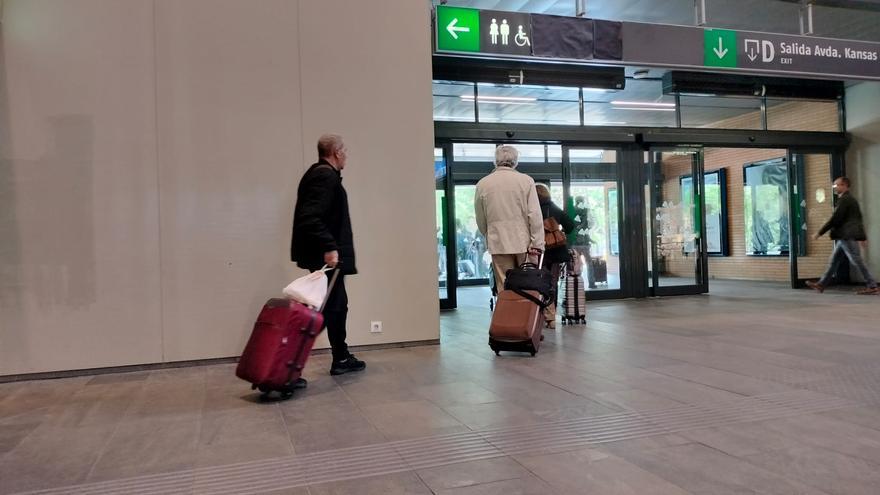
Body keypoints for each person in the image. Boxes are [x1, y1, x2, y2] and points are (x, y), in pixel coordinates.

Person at [291, 134, 367, 375]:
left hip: (324, 255)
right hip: (325, 256)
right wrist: (329, 247)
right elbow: (310, 217)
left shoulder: (320, 174)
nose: (347, 155)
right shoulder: (324, 176)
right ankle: (288, 362)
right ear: (336, 152)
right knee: (330, 309)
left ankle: (339, 356)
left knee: (334, 307)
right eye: (345, 150)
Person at [474, 145, 544, 288]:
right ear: (516, 161)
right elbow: (535, 214)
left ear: (495, 161)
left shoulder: (483, 184)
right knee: (527, 286)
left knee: (503, 286)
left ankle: (506, 303)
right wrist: (537, 243)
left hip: (497, 241)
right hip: (523, 243)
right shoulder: (526, 181)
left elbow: (480, 218)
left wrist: (487, 234)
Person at [806, 176, 878, 295]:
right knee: (834, 261)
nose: (834, 187)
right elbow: (858, 219)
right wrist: (862, 237)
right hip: (844, 236)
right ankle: (821, 284)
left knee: (856, 260)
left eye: (837, 185)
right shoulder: (850, 200)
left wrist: (819, 233)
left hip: (847, 235)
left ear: (844, 186)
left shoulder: (845, 200)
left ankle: (872, 285)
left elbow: (835, 219)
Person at [536, 184, 575, 329]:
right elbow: (570, 226)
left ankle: (538, 315)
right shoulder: (555, 209)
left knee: (538, 282)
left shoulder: (533, 210)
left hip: (539, 251)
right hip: (556, 250)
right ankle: (551, 318)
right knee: (552, 282)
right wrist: (558, 232)